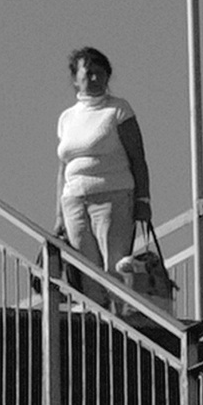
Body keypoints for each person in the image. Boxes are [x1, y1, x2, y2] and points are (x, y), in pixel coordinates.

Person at [55, 47, 151, 275]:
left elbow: (138, 157)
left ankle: (117, 310)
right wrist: (59, 215)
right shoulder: (67, 118)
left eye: (100, 73)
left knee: (114, 268)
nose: (95, 78)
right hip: (74, 201)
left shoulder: (118, 110)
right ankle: (94, 310)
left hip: (113, 197)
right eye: (88, 73)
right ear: (76, 79)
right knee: (86, 270)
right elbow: (63, 168)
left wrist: (143, 200)